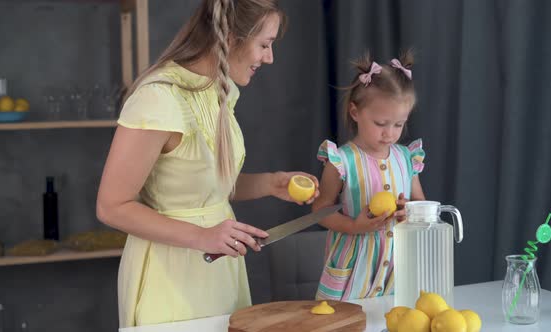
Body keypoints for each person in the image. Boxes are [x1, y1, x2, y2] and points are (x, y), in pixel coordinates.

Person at [96, 0, 319, 327]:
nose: (269, 58)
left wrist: (274, 183)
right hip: (171, 276)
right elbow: (111, 206)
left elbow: (208, 186)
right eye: (265, 45)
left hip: (218, 268)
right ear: (230, 39)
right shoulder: (159, 99)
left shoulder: (218, 92)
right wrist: (202, 237)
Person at [311, 50, 426, 301]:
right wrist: (354, 226)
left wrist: (410, 210)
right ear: (355, 112)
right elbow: (320, 210)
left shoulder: (407, 158)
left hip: (395, 269)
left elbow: (419, 202)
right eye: (380, 123)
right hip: (352, 270)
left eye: (398, 125)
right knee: (343, 325)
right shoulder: (341, 160)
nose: (390, 134)